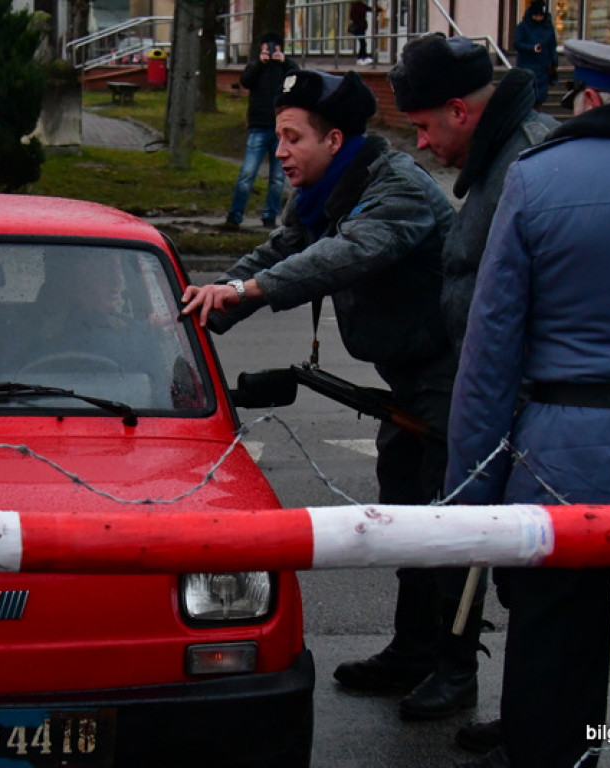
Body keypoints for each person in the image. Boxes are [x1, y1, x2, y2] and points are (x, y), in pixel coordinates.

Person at [181, 67, 456, 719]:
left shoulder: (397, 190)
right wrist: (202, 304)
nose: (279, 153)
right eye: (277, 137)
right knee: (407, 509)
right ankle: (414, 650)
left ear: (335, 139)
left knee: (450, 524)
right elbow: (280, 250)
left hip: (455, 371)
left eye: (291, 138)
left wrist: (247, 294)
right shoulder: (323, 191)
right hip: (408, 377)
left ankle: (454, 667)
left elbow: (342, 257)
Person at [446, 39, 610, 768]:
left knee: (553, 660)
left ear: (584, 99)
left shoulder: (537, 178)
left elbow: (490, 356)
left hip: (559, 462)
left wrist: (470, 501)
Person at [371, 36, 558, 758]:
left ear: (460, 109)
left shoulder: (529, 160)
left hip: (518, 398)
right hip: (487, 381)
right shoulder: (503, 155)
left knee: (522, 569)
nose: (422, 143)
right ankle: (490, 689)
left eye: (424, 127)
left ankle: (536, 716)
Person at [222, 32, 297, 231]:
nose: (271, 52)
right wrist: (260, 63)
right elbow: (246, 81)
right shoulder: (256, 67)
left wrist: (285, 63)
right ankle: (235, 215)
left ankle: (269, 216)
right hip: (258, 126)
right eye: (266, 48)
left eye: (274, 48)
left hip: (280, 130)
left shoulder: (286, 69)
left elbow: (297, 80)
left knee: (277, 177)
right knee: (247, 173)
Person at [514, 1, 558, 109]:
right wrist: (532, 48)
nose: (538, 18)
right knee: (527, 94)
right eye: (536, 15)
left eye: (540, 16)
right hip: (527, 65)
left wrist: (554, 61)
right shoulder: (523, 27)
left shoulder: (548, 28)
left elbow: (552, 46)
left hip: (543, 67)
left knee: (540, 96)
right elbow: (517, 43)